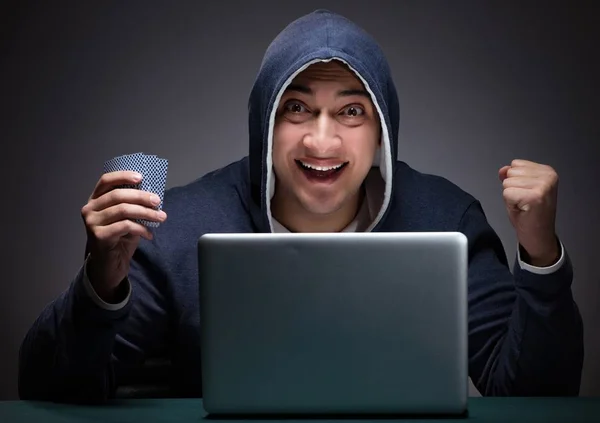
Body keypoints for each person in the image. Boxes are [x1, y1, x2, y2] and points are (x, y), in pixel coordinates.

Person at [18, 9, 583, 402]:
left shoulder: (447, 218)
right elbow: (47, 389)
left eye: (351, 112)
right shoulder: (174, 226)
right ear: (263, 124)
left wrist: (540, 253)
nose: (321, 141)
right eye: (296, 108)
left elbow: (534, 396)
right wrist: (101, 282)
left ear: (383, 131)